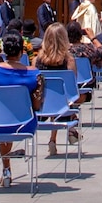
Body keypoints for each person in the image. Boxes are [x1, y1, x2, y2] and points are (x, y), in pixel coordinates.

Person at [0, 34, 44, 187]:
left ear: (3, 50)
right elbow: (36, 106)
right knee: (11, 116)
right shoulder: (35, 75)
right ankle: (6, 168)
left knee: (2, 116)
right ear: (22, 51)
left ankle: (6, 168)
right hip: (23, 124)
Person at [35, 25, 81, 156]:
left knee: (51, 97)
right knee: (64, 98)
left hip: (41, 106)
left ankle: (53, 139)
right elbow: (73, 89)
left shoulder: (37, 60)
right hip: (63, 105)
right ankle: (71, 129)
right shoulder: (69, 61)